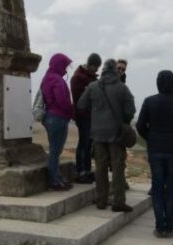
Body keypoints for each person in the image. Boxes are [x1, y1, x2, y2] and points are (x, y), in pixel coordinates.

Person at [136, 70, 173, 237]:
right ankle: (170, 226)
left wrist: (151, 139)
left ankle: (159, 226)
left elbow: (140, 126)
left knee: (158, 188)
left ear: (158, 83)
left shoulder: (149, 101)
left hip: (155, 151)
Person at [77, 59, 136, 211]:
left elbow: (81, 105)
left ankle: (101, 200)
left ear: (103, 70)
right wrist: (123, 120)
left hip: (97, 133)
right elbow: (131, 110)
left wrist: (96, 112)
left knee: (100, 168)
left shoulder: (93, 86)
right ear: (115, 71)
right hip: (116, 134)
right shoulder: (122, 88)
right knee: (117, 168)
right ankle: (118, 202)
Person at [40, 53, 74, 191]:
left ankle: (57, 177)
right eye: (65, 66)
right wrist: (72, 112)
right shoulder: (57, 80)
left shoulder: (47, 78)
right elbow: (62, 101)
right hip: (58, 117)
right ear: (59, 65)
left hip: (50, 116)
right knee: (55, 151)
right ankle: (54, 180)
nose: (66, 69)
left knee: (55, 150)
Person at [70, 53, 102, 184]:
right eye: (96, 67)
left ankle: (87, 171)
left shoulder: (92, 78)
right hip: (83, 116)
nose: (97, 70)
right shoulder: (78, 78)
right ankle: (80, 171)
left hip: (92, 116)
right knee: (83, 143)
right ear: (91, 64)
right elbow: (79, 99)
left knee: (89, 144)